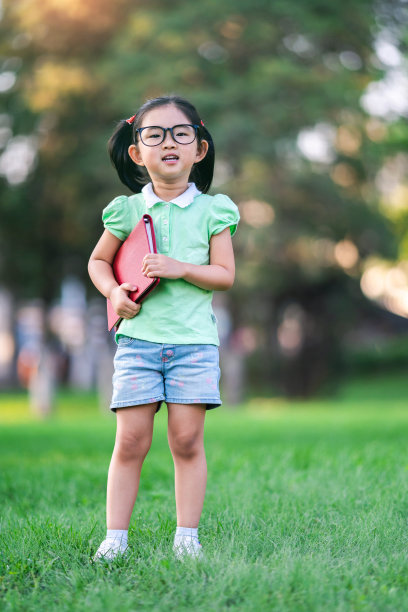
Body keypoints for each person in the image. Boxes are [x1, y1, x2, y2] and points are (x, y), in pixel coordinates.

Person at [88, 95, 240, 561]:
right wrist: (113, 293)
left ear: (200, 148)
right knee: (131, 440)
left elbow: (225, 276)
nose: (168, 143)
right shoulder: (126, 210)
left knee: (186, 441)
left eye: (181, 134)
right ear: (137, 152)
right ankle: (115, 539)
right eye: (154, 135)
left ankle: (186, 538)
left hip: (193, 344)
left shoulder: (215, 210)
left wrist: (180, 268)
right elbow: (98, 262)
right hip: (138, 343)